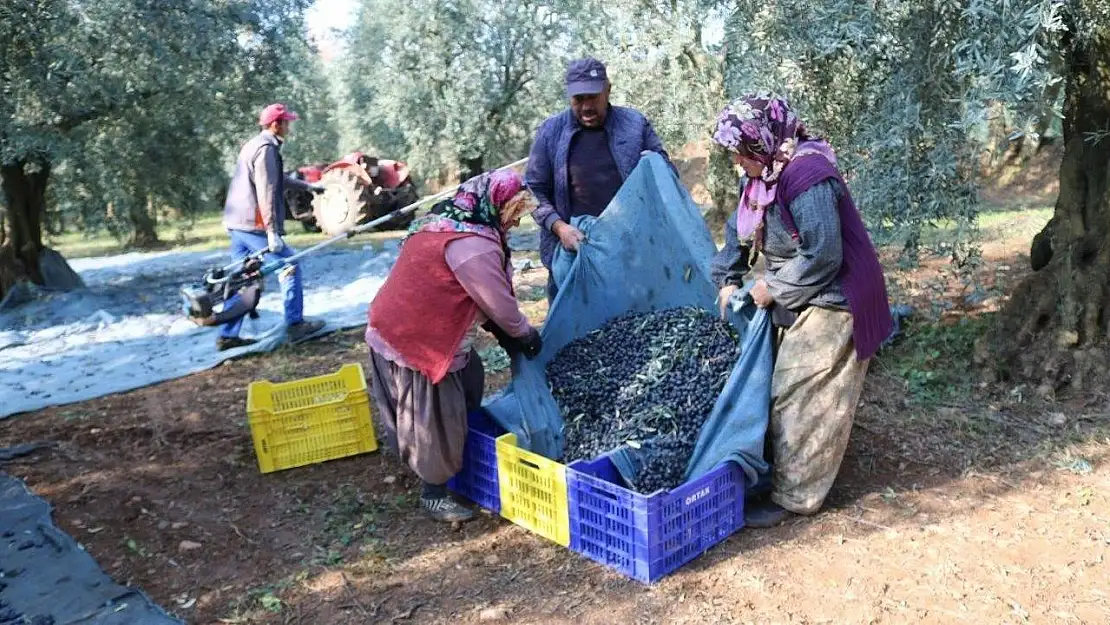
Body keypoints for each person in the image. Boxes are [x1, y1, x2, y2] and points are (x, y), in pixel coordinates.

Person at [709, 94, 892, 527]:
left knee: (799, 390)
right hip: (803, 289)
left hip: (839, 294)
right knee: (773, 382)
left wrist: (771, 288)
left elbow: (824, 254)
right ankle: (781, 467)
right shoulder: (756, 177)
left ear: (760, 139)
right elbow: (735, 241)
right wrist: (727, 280)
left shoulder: (806, 174)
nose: (735, 159)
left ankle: (795, 496)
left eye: (739, 149)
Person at [365, 169, 542, 523]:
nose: (517, 220)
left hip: (395, 323)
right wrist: (523, 335)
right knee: (437, 414)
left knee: (472, 376)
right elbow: (499, 304)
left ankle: (463, 446)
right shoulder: (472, 245)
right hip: (420, 339)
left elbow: (478, 297)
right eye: (514, 211)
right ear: (494, 204)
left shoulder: (450, 221)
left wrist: (506, 333)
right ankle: (434, 491)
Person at [526, 57, 675, 299]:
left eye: (592, 97)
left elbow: (667, 175)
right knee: (575, 329)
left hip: (630, 252)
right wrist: (559, 227)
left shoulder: (635, 125)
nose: (586, 106)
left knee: (631, 324)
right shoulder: (551, 132)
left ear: (608, 90)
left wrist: (655, 164)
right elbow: (532, 191)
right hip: (574, 250)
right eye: (578, 99)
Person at [221, 103, 325, 351]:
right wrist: (271, 231)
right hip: (254, 224)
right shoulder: (267, 148)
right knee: (289, 264)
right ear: (276, 124)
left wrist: (308, 187)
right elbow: (266, 189)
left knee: (241, 278)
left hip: (236, 222)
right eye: (287, 122)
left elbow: (276, 179)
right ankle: (295, 324)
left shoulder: (254, 144)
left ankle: (227, 335)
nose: (289, 126)